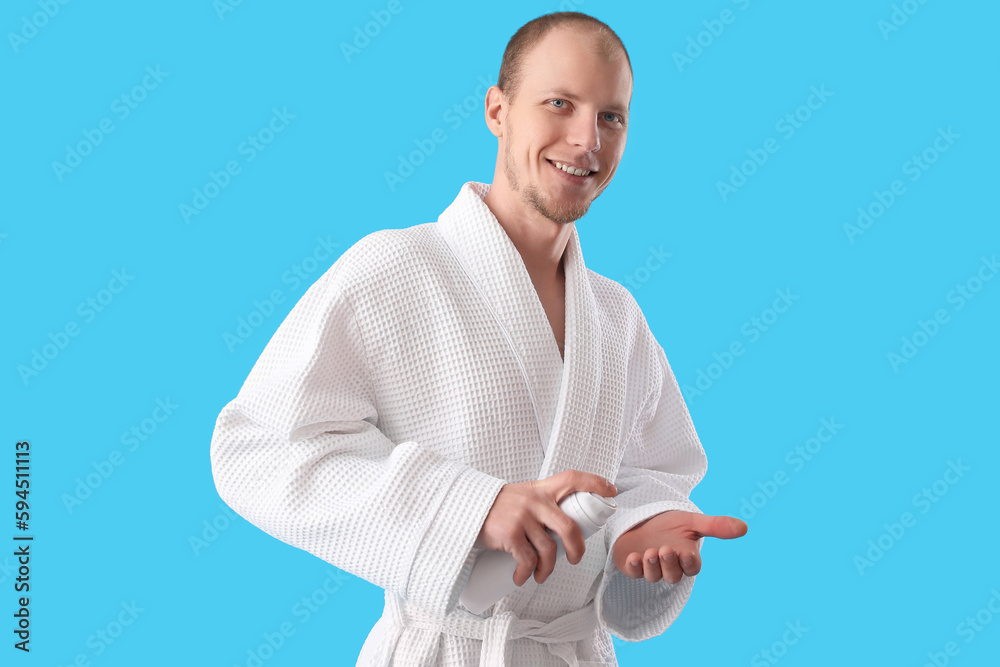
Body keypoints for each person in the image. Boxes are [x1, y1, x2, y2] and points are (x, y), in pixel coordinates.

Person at [209, 11, 748, 666]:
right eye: (560, 104)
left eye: (612, 117)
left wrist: (646, 529)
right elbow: (256, 448)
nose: (587, 140)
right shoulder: (394, 269)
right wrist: (470, 507)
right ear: (497, 111)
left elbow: (650, 472)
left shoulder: (615, 314)